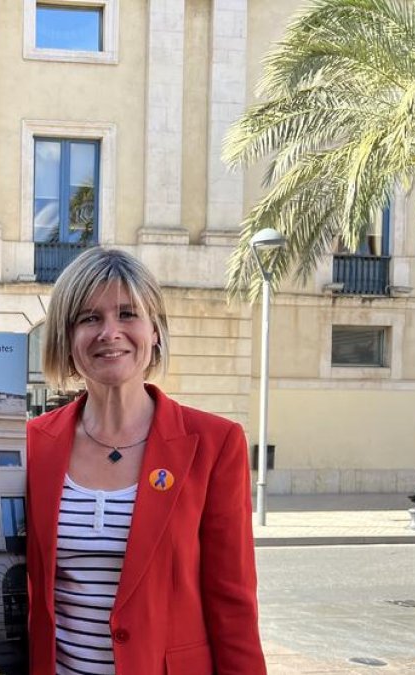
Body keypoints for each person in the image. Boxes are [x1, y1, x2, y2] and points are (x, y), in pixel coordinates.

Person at [25, 247, 265, 674]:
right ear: (67, 337)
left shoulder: (215, 444)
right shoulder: (33, 444)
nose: (109, 332)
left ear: (155, 331)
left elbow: (233, 604)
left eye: (127, 314)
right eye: (89, 318)